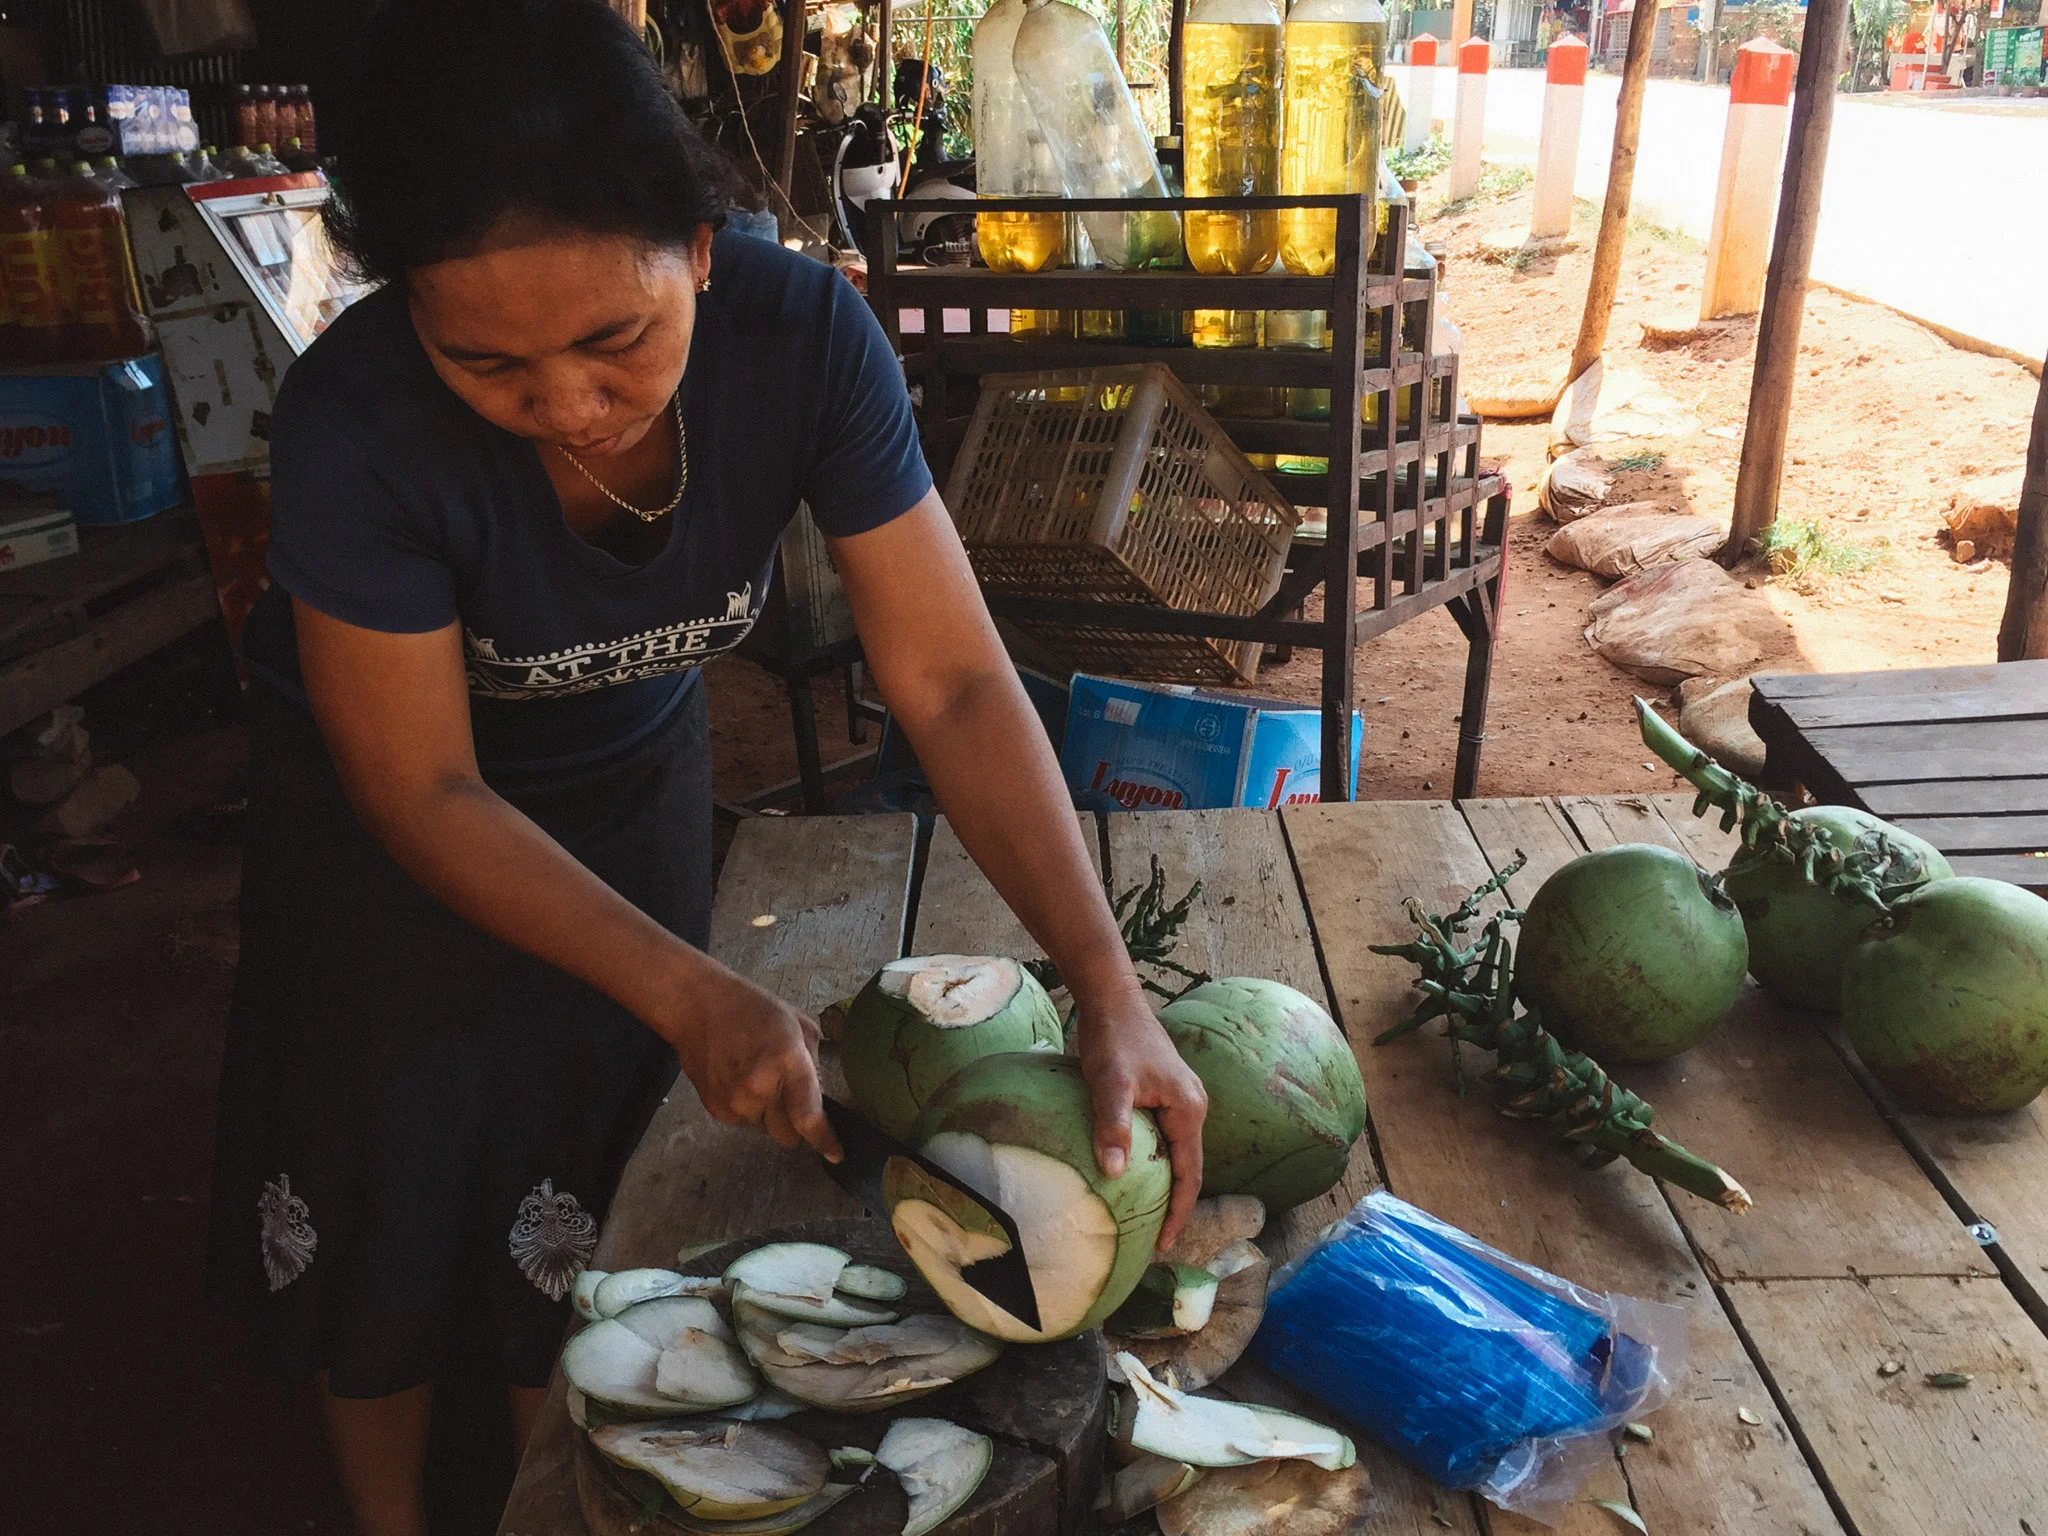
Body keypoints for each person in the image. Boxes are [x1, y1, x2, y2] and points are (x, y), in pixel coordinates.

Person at [204, 4, 1207, 1532]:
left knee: (592, 1171)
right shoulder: (357, 421)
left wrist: (1106, 982)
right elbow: (424, 789)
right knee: (391, 1179)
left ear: (701, 246)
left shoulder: (802, 342)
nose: (566, 404)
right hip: (388, 844)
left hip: (630, 785)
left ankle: (573, 1476)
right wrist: (688, 985)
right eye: (486, 360)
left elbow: (944, 676)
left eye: (617, 338)